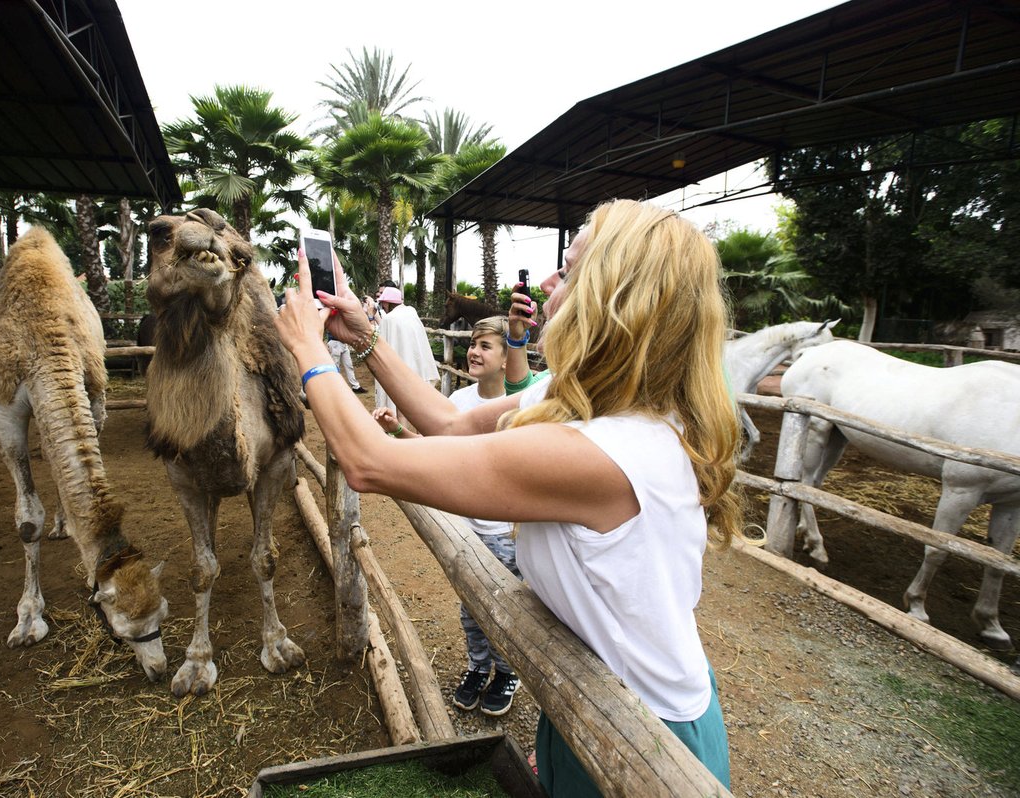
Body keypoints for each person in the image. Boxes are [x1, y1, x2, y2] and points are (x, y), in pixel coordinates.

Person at [274, 199, 739, 795]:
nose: (546, 281)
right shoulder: (588, 398)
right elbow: (447, 421)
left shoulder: (605, 452)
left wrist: (309, 351)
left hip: (648, 736)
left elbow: (371, 462)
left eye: (568, 270)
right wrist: (363, 336)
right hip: (597, 700)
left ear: (614, 294)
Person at [371, 316, 523, 716]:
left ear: (509, 358)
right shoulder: (457, 402)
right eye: (473, 343)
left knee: (507, 607)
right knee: (471, 605)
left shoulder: (520, 406)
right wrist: (396, 432)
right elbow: (431, 447)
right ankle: (478, 667)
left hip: (506, 532)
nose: (474, 351)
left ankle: (508, 671)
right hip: (466, 529)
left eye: (485, 345)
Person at [372, 286, 438, 430]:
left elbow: (382, 343)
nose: (383, 305)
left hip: (399, 372)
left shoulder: (390, 319)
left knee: (401, 408)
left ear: (388, 303)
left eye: (384, 302)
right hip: (417, 369)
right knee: (417, 408)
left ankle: (404, 440)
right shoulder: (411, 313)